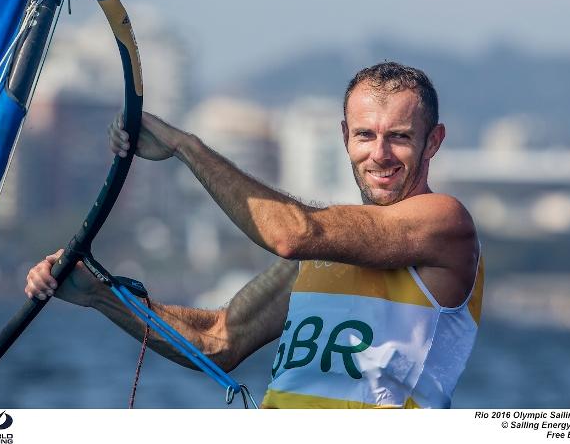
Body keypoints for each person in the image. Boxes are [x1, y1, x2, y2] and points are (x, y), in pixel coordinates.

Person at [26, 61, 484, 408]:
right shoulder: (321, 255)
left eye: (399, 137)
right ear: (345, 136)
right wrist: (100, 295)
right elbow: (219, 339)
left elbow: (293, 232)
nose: (379, 154)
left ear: (434, 141)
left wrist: (185, 147)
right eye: (365, 135)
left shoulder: (445, 222)